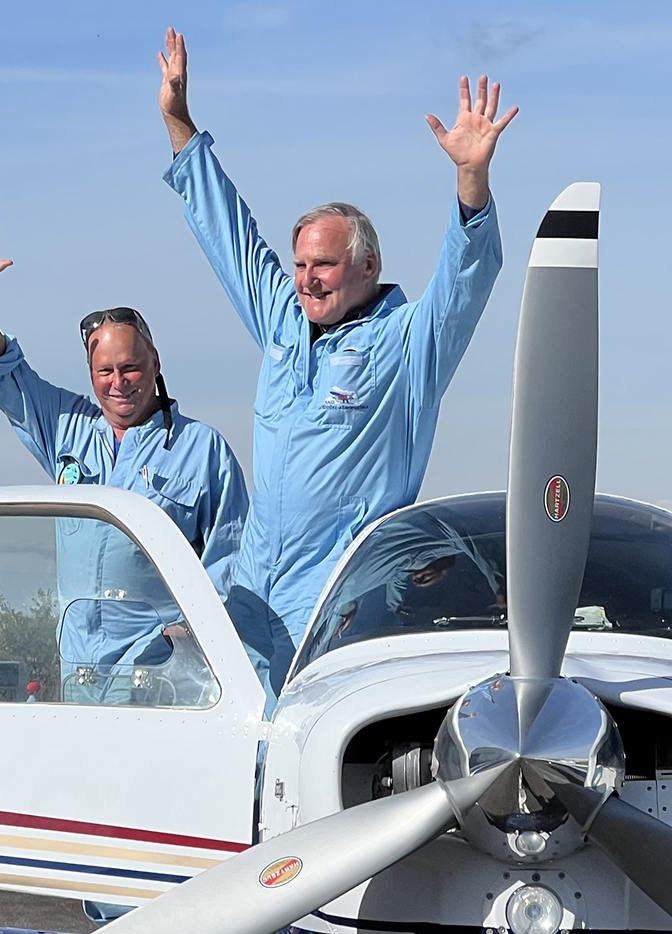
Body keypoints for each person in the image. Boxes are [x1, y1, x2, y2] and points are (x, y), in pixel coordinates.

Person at [157, 27, 516, 693]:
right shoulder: (283, 325)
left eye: (324, 263)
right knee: (240, 760)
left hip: (338, 603)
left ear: (368, 265)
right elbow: (228, 235)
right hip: (251, 593)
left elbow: (465, 281)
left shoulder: (409, 343)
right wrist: (178, 121)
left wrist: (471, 179)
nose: (307, 279)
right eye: (299, 264)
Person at [0, 211, 250, 701]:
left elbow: (234, 564)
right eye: (105, 370)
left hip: (163, 683)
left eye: (131, 367)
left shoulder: (203, 449)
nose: (119, 382)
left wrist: (185, 640)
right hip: (78, 680)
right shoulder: (67, 427)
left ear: (155, 364)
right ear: (90, 372)